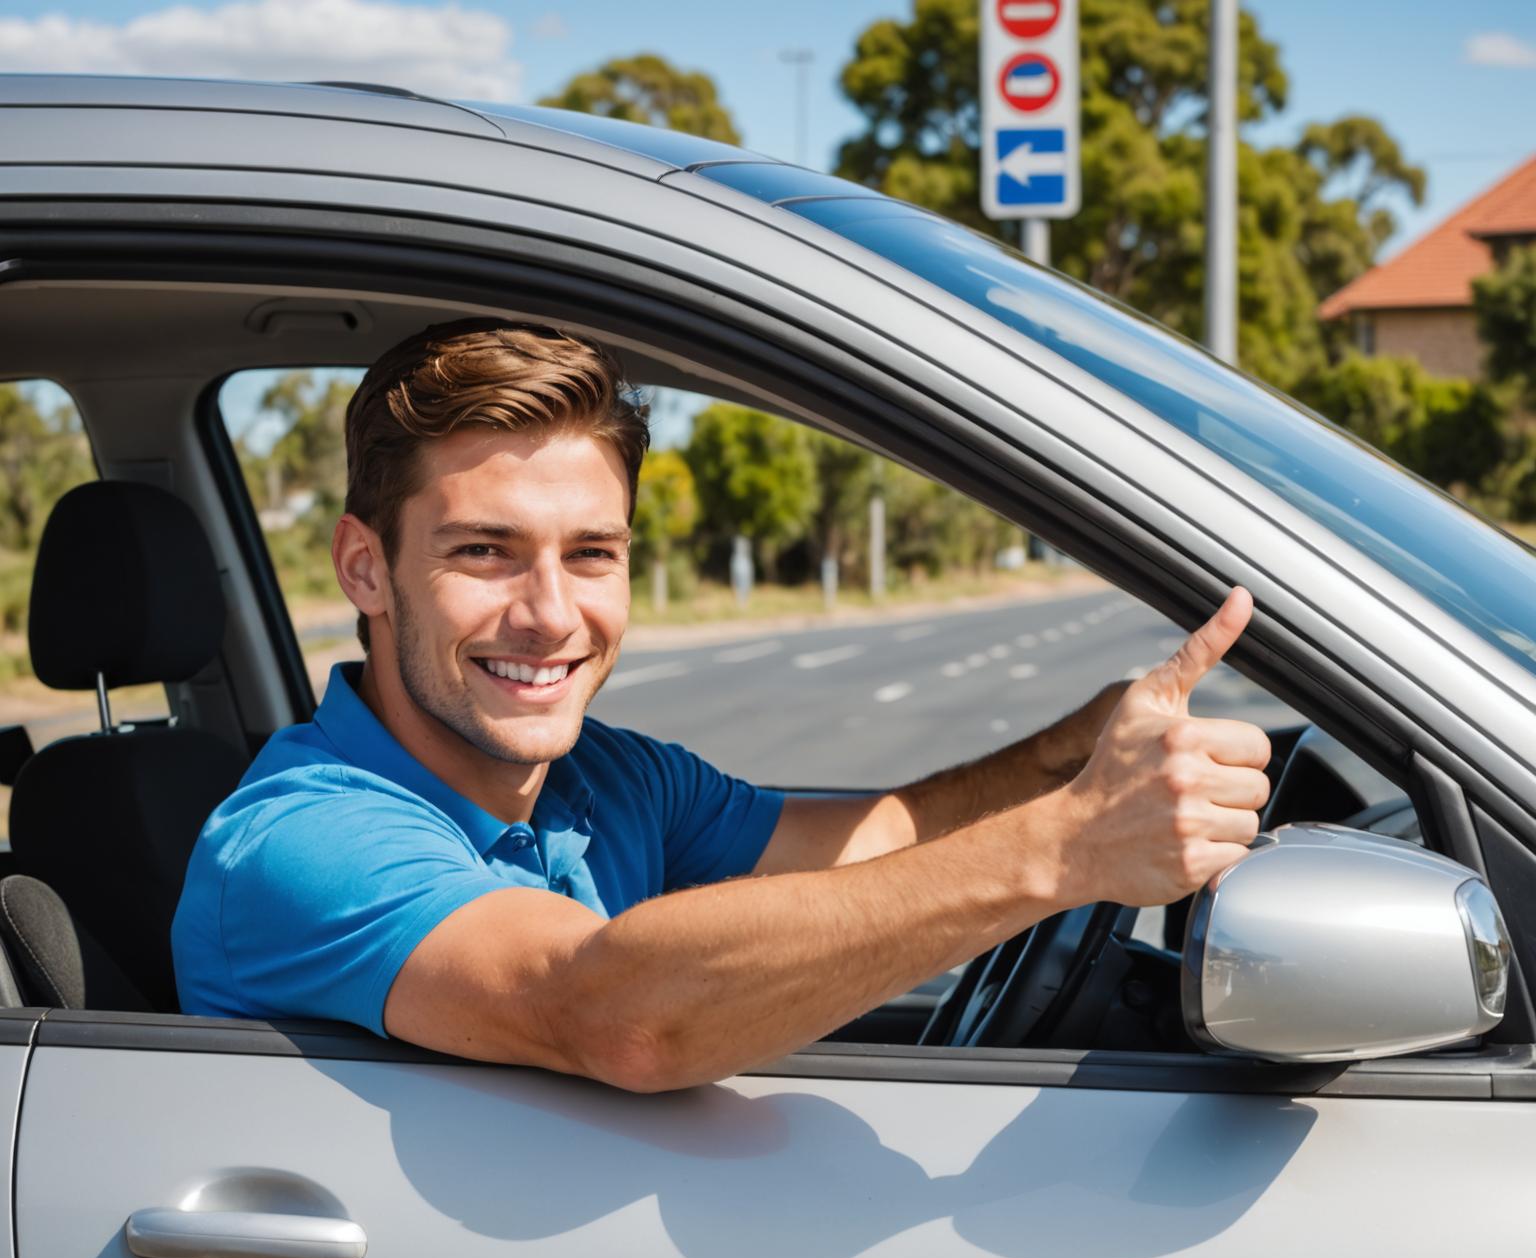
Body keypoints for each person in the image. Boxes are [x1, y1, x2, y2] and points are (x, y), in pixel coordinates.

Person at [172, 319, 1271, 1091]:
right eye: (484, 553)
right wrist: (1064, 852)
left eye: (591, 554)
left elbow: (869, 846)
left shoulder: (608, 777)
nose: (552, 615)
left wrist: (1075, 749)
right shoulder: (302, 835)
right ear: (365, 570)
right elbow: (617, 1014)